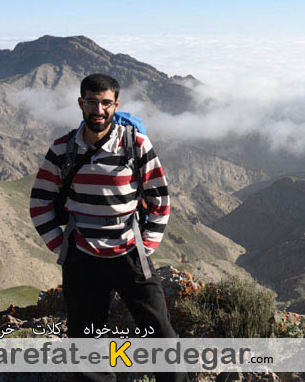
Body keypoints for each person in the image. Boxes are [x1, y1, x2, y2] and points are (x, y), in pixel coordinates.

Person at [29, 73, 185, 382]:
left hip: (130, 253)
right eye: (91, 102)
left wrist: (147, 245)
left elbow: (160, 198)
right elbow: (39, 202)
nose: (98, 110)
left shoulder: (134, 144)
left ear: (116, 105)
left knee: (160, 332)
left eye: (105, 103)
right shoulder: (62, 149)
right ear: (80, 103)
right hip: (82, 257)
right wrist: (61, 247)